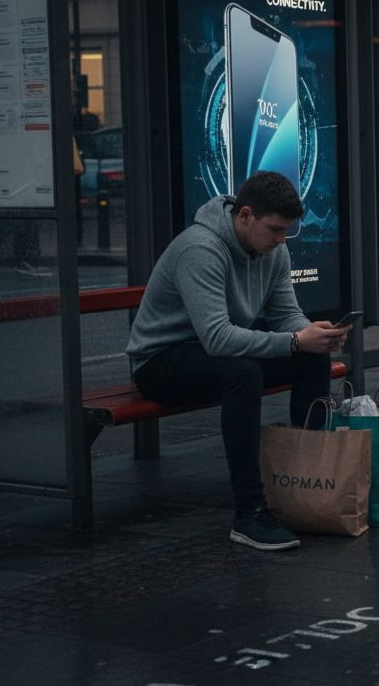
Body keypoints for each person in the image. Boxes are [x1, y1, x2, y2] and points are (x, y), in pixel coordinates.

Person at [126, 173, 349, 551]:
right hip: (160, 360)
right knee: (242, 375)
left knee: (312, 359)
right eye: (274, 229)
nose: (281, 240)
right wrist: (295, 340)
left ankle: (309, 486)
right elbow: (217, 338)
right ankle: (249, 514)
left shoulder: (274, 250)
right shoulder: (200, 249)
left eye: (286, 232)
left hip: (211, 352)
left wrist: (313, 335)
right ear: (245, 215)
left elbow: (285, 316)